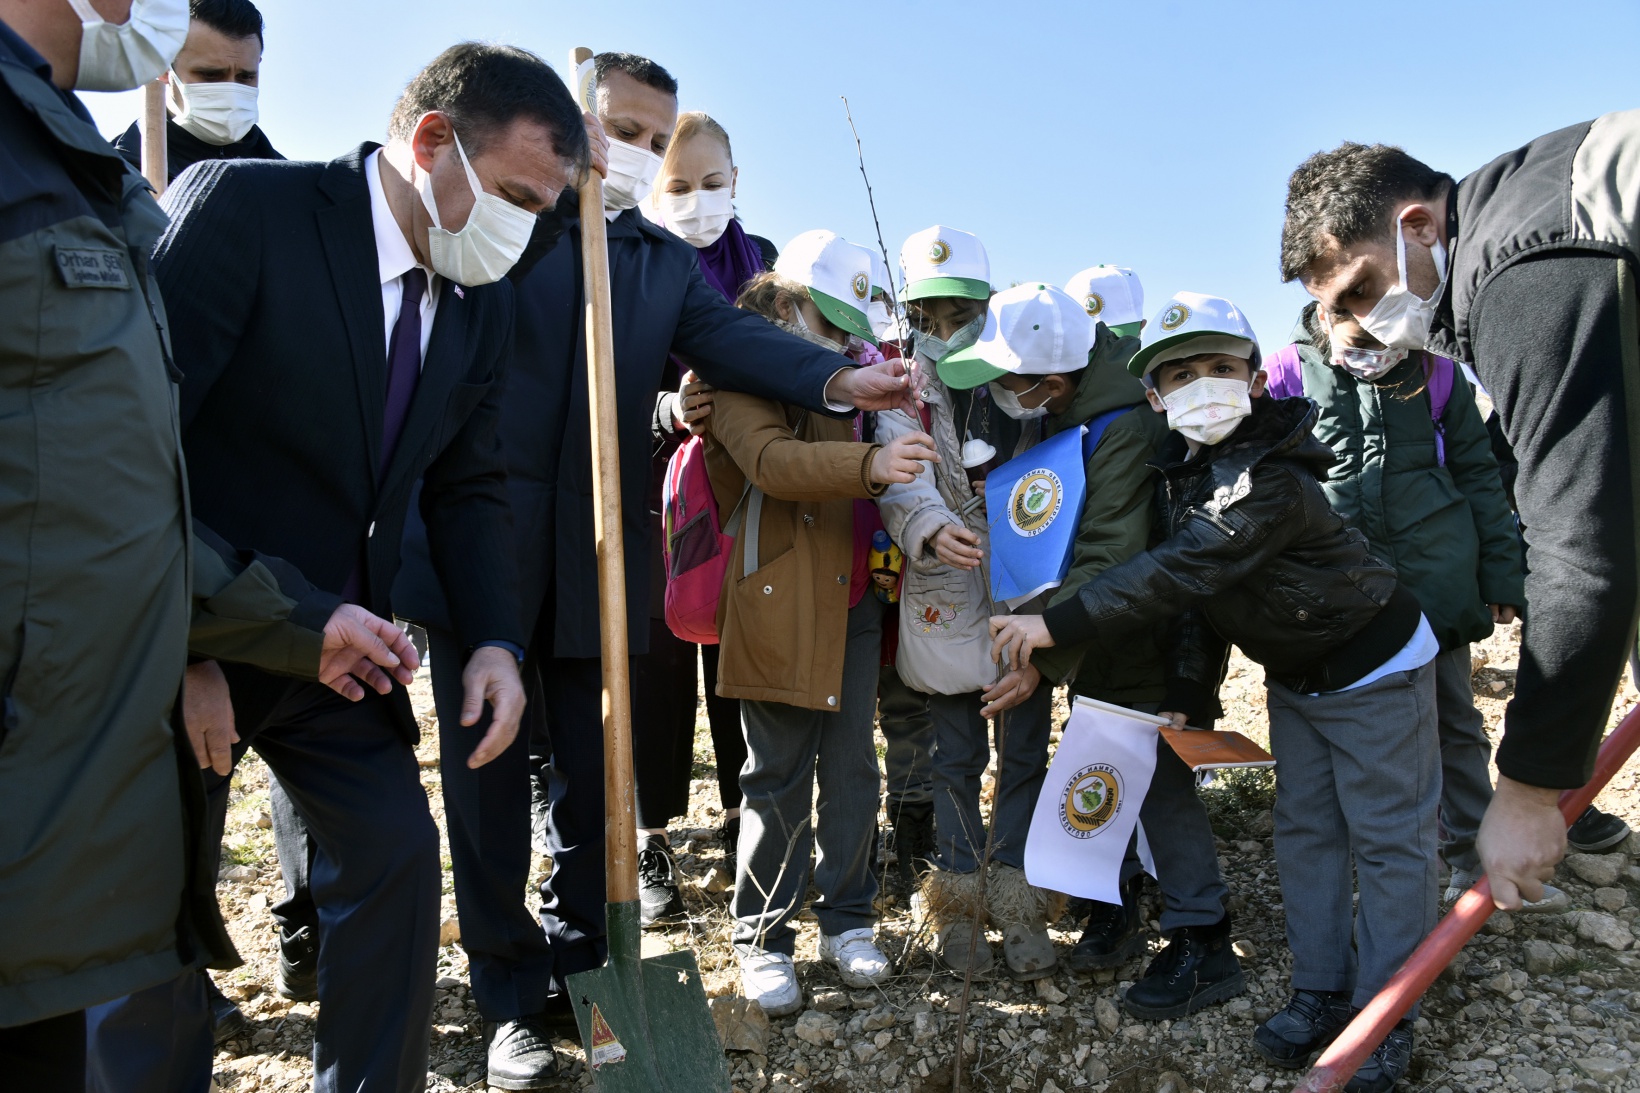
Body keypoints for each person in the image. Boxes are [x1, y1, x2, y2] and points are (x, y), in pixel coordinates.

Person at [389, 51, 919, 1089]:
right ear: (569, 123)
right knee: (487, 783)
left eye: (650, 135)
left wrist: (840, 373)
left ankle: (595, 972)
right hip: (470, 546)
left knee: (597, 783)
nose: (631, 153)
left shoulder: (654, 264)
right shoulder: (496, 223)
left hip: (598, 550)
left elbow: (732, 344)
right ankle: (511, 997)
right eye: (619, 130)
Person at [89, 42, 591, 1093]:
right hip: (184, 629)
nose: (524, 230)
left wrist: (494, 638)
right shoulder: (244, 212)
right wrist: (182, 648)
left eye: (544, 210)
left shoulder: (477, 294)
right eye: (511, 195)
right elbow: (131, 454)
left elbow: (466, 484)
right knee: (154, 933)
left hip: (337, 648)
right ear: (428, 142)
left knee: (396, 862)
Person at [0, 2, 418, 1087]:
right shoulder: (213, 203)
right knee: (130, 981)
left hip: (213, 669)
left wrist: (298, 620)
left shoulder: (72, 167)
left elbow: (116, 491)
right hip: (80, 716)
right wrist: (201, 652)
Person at [990, 292, 1442, 1092]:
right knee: (1306, 832)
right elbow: (1195, 607)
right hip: (1298, 675)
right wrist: (1189, 696)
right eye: (1182, 374)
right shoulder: (1182, 474)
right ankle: (1319, 990)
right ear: (1156, 396)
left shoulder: (1273, 477)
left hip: (1375, 666)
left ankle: (1384, 1016)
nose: (1206, 386)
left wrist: (1050, 628)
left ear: (1255, 379)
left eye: (1223, 368)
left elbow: (1177, 572)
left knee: (1388, 841)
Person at [1279, 120, 1640, 910]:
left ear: (1418, 226)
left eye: (1365, 288)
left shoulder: (1521, 267)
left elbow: (1582, 537)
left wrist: (1531, 788)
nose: (1364, 322)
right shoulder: (1528, 203)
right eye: (1340, 308)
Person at [970, 273, 1239, 1012]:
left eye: (1010, 380)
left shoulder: (1121, 427)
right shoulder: (1070, 418)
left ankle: (1202, 934)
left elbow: (1107, 553)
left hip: (1144, 633)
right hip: (1102, 633)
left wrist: (1044, 657)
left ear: (1051, 379)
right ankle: (1114, 907)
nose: (1000, 391)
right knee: (1104, 768)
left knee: (1157, 783)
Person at [1267, 304, 1575, 912]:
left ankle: (1471, 856)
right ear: (1325, 316)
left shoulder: (1438, 376)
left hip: (1432, 582)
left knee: (1454, 718)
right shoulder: (1286, 376)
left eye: (1390, 341)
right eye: (1359, 340)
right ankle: (1370, 860)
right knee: (1346, 730)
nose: (1376, 352)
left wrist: (1502, 573)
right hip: (1335, 596)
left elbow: (1480, 477)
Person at [711, 231, 937, 1015]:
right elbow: (771, 464)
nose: (841, 335)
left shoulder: (856, 371)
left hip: (853, 601)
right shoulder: (736, 370)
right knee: (775, 776)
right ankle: (762, 938)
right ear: (784, 300)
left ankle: (847, 920)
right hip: (775, 600)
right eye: (825, 315)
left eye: (850, 321)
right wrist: (868, 465)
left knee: (851, 772)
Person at [874, 230, 1062, 981]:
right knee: (954, 755)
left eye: (961, 315)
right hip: (946, 600)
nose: (946, 331)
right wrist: (931, 524)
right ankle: (955, 899)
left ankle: (1016, 893)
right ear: (913, 313)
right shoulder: (902, 390)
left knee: (1023, 753)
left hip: (1026, 591)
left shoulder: (1024, 376)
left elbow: (1057, 467)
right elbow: (900, 479)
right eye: (932, 315)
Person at [628, 110, 767, 925]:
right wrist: (666, 409)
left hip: (752, 490)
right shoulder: (632, 267)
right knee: (658, 661)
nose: (696, 200)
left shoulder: (765, 265)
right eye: (677, 186)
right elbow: (601, 377)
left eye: (712, 183)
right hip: (657, 497)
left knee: (740, 659)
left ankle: (746, 816)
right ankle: (649, 837)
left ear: (737, 181)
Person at [112, 0, 276, 179]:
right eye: (210, 75)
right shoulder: (109, 176)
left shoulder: (292, 184)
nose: (231, 93)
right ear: (163, 67)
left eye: (246, 77)